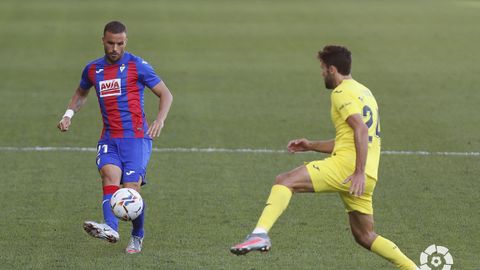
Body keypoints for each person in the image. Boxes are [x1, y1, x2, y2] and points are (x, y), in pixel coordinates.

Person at [230, 45, 418, 270]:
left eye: (322, 69)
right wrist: (311, 145)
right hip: (367, 173)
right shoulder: (365, 92)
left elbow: (360, 130)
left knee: (285, 181)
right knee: (364, 235)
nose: (321, 74)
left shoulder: (340, 93)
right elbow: (350, 139)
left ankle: (259, 234)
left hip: (349, 169)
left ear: (332, 69)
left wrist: (357, 172)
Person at [57, 21, 173, 254]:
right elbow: (81, 92)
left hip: (136, 139)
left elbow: (165, 94)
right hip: (109, 138)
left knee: (131, 190)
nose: (114, 48)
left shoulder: (137, 65)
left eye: (120, 43)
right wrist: (69, 114)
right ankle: (110, 228)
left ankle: (137, 236)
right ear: (103, 40)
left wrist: (159, 119)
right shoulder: (92, 69)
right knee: (109, 177)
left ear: (125, 42)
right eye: (110, 43)